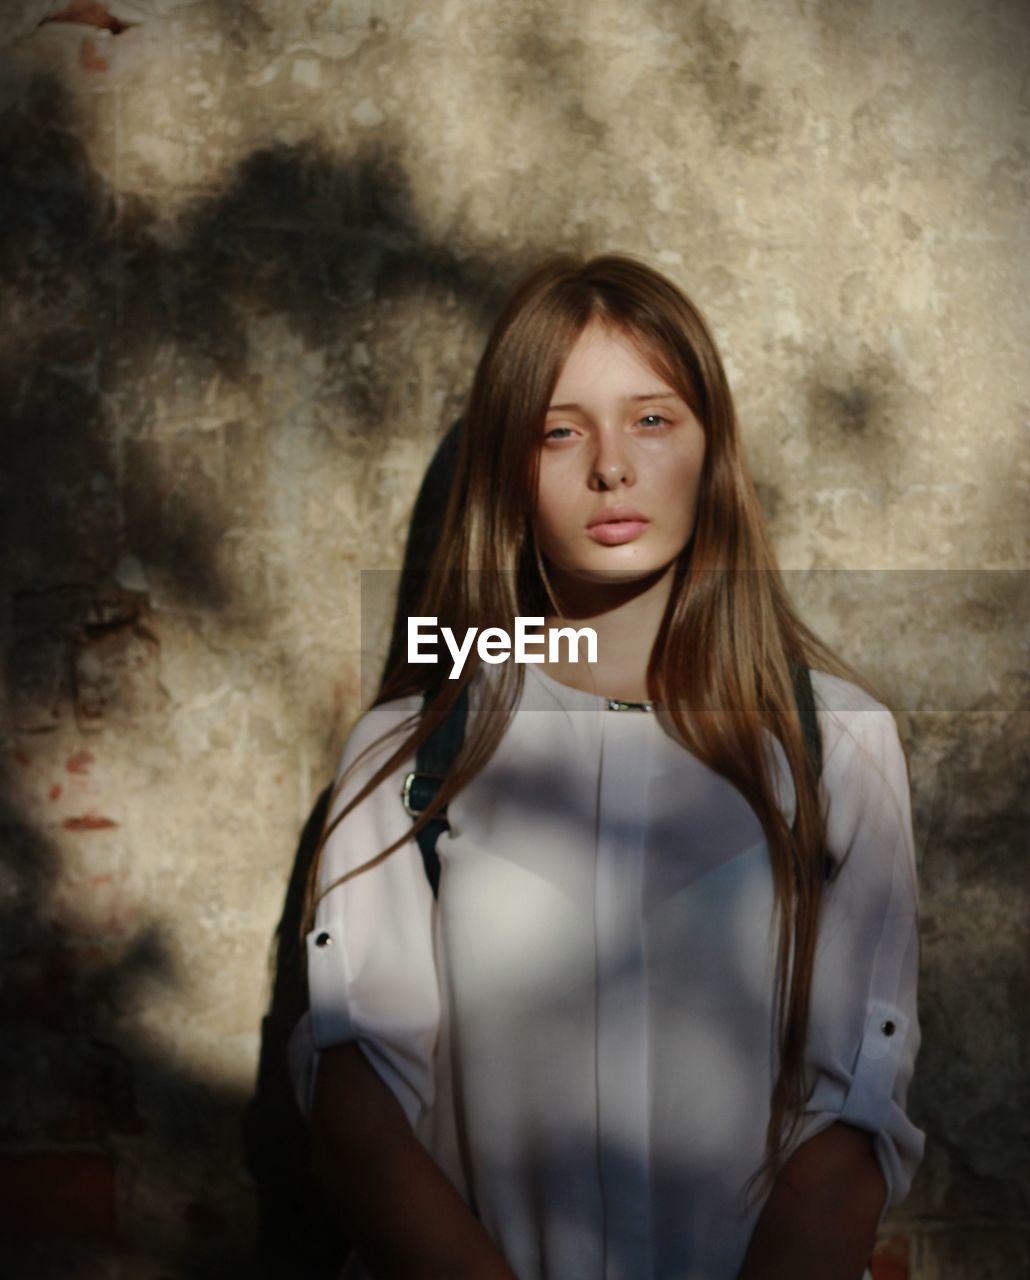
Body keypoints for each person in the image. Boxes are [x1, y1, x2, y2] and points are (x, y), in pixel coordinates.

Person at [288, 254, 924, 1279]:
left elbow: (853, 1126)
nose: (610, 467)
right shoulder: (409, 750)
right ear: (510, 469)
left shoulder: (840, 743)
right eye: (557, 428)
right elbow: (358, 1125)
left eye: (652, 419)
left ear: (712, 449)